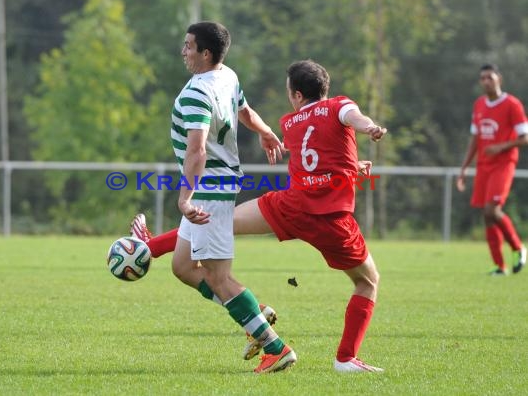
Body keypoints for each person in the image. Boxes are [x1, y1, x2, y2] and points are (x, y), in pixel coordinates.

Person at [133, 59, 387, 373]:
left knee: (218, 220)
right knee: (367, 283)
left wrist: (350, 165)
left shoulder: (290, 123)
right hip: (331, 220)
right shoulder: (339, 105)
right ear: (326, 88)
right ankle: (345, 359)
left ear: (296, 95)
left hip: (291, 207)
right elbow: (351, 119)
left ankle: (150, 247)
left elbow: (315, 155)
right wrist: (369, 127)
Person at [134, 21, 296, 374]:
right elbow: (244, 111)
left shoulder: (196, 92)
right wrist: (267, 132)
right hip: (214, 186)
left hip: (208, 188)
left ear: (206, 53)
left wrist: (184, 199)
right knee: (181, 267)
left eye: (189, 46)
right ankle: (255, 311)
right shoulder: (227, 76)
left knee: (219, 278)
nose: (183, 51)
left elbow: (197, 151)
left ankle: (275, 347)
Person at [457, 64, 528, 275]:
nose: (486, 81)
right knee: (487, 216)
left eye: (490, 77)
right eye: (483, 78)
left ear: (499, 78)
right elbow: (475, 139)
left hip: (503, 164)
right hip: (484, 166)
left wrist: (501, 146)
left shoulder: (512, 104)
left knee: (492, 210)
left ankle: (518, 248)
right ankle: (499, 266)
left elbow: (524, 138)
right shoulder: (479, 104)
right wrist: (463, 169)